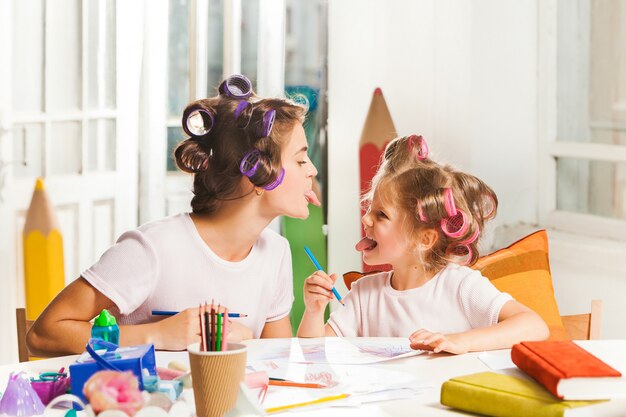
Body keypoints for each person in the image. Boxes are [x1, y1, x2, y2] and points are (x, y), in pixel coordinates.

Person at [28, 74, 320, 356]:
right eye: (300, 159)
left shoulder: (276, 252)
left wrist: (249, 343)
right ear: (255, 175)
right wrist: (158, 335)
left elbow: (275, 366)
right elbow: (44, 334)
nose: (312, 170)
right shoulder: (154, 248)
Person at [297, 135, 549, 354]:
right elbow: (313, 353)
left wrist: (460, 341)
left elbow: (533, 326)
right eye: (369, 209)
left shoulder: (459, 285)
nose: (365, 219)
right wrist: (314, 311)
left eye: (381, 215)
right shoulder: (364, 294)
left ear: (424, 239)